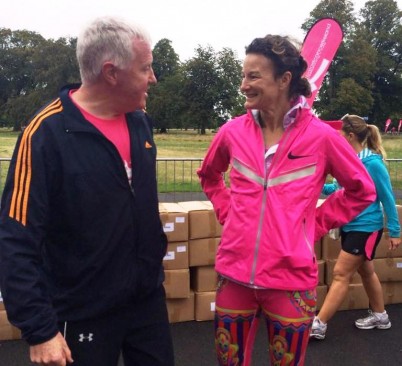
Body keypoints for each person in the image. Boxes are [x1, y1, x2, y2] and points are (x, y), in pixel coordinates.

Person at [0, 16, 174, 366]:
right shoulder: (45, 135)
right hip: (81, 310)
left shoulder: (140, 122)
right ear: (111, 73)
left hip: (145, 301)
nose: (153, 78)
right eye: (145, 69)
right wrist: (40, 330)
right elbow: (15, 240)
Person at [197, 34, 377, 366]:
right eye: (243, 75)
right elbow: (208, 175)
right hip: (234, 275)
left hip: (290, 281)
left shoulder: (321, 137)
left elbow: (362, 190)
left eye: (253, 76)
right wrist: (227, 211)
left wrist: (316, 225)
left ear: (284, 80)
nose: (243, 85)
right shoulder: (231, 132)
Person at [310, 114, 401, 340]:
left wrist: (396, 232)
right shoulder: (347, 160)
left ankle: (318, 325)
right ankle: (381, 316)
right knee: (366, 271)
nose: (337, 138)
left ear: (350, 136)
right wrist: (322, 186)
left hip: (367, 227)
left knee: (341, 273)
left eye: (340, 135)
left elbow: (388, 198)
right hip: (350, 225)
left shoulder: (373, 163)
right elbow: (341, 188)